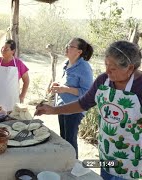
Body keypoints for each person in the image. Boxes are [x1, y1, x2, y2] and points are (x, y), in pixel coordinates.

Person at [36, 40, 142, 180]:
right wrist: (52, 110)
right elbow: (82, 104)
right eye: (106, 64)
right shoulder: (103, 81)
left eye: (113, 68)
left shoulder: (139, 86)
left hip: (133, 159)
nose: (107, 71)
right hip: (107, 152)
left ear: (130, 68)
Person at [50, 38, 94, 159]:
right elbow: (65, 83)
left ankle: (73, 167)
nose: (66, 47)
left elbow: (87, 92)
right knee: (63, 138)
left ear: (79, 52)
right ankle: (64, 163)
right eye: (67, 44)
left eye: (70, 46)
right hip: (61, 106)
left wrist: (65, 89)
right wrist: (57, 84)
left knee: (69, 140)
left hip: (75, 109)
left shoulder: (84, 68)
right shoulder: (66, 63)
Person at [0, 39, 29, 111]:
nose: (3, 50)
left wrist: (22, 96)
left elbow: (26, 81)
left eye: (6, 49)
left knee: (11, 119)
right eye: (3, 48)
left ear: (13, 51)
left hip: (12, 100)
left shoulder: (19, 64)